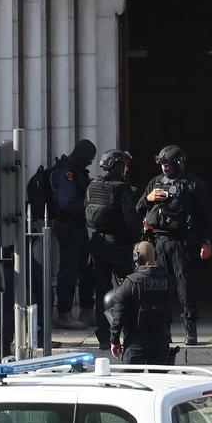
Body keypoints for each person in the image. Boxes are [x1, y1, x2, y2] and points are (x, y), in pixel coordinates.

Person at [136, 145, 212, 345]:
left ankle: (190, 328)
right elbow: (138, 208)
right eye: (162, 164)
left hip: (183, 242)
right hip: (158, 242)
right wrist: (149, 198)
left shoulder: (193, 184)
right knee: (160, 286)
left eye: (168, 164)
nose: (164, 168)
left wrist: (206, 241)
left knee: (185, 285)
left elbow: (207, 215)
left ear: (179, 163)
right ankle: (164, 329)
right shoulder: (155, 183)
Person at [85, 149, 141, 349]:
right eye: (124, 165)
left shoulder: (93, 185)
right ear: (117, 166)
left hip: (98, 244)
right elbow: (131, 220)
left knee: (101, 292)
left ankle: (103, 336)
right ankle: (127, 332)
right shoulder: (122, 189)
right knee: (126, 289)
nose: (126, 169)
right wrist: (139, 238)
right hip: (119, 246)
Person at [50, 139, 97, 330]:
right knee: (69, 271)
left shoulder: (76, 170)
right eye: (88, 158)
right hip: (68, 227)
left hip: (78, 226)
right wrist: (90, 206)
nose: (89, 163)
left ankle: (87, 310)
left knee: (86, 270)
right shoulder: (66, 172)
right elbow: (67, 203)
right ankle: (64, 313)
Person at [108, 241, 174, 365]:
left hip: (135, 344)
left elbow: (118, 315)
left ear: (137, 257)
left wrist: (114, 340)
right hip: (160, 343)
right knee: (159, 383)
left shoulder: (130, 283)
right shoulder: (167, 281)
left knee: (133, 382)